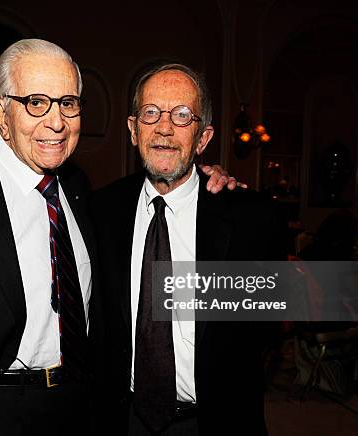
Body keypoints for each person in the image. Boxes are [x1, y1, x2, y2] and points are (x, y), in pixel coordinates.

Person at [0, 40, 237, 436]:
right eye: (35, 102)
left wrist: (214, 188)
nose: (56, 121)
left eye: (68, 103)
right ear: (0, 115)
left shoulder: (83, 194)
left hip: (85, 409)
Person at [91, 64, 283, 435]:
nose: (164, 127)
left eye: (182, 115)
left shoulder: (251, 220)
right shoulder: (100, 212)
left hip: (213, 423)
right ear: (133, 130)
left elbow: (265, 332)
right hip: (122, 420)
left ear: (203, 138)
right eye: (151, 113)